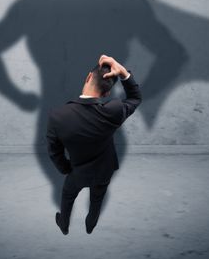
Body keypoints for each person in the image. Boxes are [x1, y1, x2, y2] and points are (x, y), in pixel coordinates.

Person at [46, 54, 142, 234]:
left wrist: (66, 168)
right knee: (97, 199)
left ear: (88, 77)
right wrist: (122, 72)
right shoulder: (113, 111)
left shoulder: (58, 116)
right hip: (104, 171)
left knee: (68, 196)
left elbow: (54, 151)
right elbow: (135, 98)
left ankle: (64, 225)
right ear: (106, 94)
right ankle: (90, 225)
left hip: (77, 172)